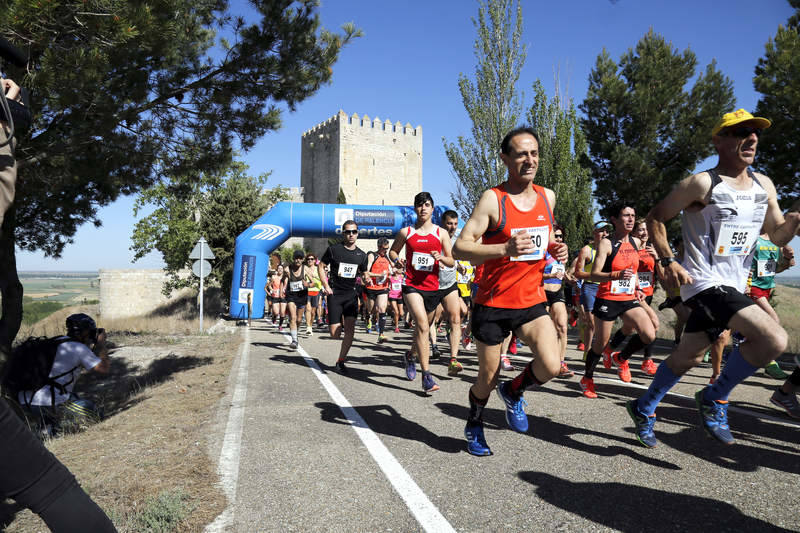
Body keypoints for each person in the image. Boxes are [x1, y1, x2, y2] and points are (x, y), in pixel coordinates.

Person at [628, 109, 800, 448]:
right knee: (774, 340)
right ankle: (715, 397)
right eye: (740, 132)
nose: (750, 138)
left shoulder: (764, 185)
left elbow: (775, 236)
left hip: (733, 286)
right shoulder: (703, 183)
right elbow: (657, 217)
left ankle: (643, 406)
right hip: (703, 282)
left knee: (687, 357)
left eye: (755, 133)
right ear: (719, 141)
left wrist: (795, 217)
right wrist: (668, 260)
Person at [453, 126, 568, 456]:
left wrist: (556, 249)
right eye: (521, 154)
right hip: (492, 303)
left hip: (531, 300)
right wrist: (503, 249)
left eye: (534, 153)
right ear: (505, 158)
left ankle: (514, 391)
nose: (529, 160)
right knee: (486, 379)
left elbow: (542, 240)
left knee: (551, 364)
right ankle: (474, 423)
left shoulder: (548, 197)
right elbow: (461, 248)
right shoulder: (494, 199)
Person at [580, 205, 656, 398]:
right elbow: (595, 275)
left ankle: (621, 358)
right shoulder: (606, 243)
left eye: (633, 215)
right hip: (607, 298)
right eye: (626, 216)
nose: (631, 219)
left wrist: (638, 287)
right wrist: (616, 275)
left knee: (649, 333)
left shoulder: (636, 242)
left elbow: (634, 269)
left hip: (628, 297)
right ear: (614, 219)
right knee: (600, 344)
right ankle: (587, 378)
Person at [390, 192, 454, 394]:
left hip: (432, 287)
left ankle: (410, 355)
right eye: (419, 205)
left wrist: (441, 258)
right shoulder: (406, 232)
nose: (423, 208)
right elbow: (393, 251)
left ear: (432, 208)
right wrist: (397, 260)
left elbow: (451, 260)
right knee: (423, 326)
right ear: (415, 209)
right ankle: (426, 376)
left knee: (421, 331)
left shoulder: (441, 233)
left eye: (427, 205)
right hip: (411, 285)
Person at [17, 314, 110, 435]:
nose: (92, 335)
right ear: (84, 332)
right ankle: (55, 428)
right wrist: (102, 345)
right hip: (45, 403)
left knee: (73, 396)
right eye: (91, 332)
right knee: (93, 411)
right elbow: (104, 368)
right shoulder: (79, 349)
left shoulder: (55, 341)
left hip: (23, 400)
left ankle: (46, 425)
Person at [604, 217, 662, 376]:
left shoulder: (652, 249)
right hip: (632, 292)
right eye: (641, 230)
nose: (645, 233)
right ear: (634, 232)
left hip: (647, 293)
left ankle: (609, 350)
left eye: (646, 229)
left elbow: (662, 275)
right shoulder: (630, 248)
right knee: (653, 324)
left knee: (629, 328)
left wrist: (657, 258)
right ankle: (641, 360)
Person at [319, 220, 372, 373]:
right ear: (343, 233)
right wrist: (326, 285)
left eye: (354, 232)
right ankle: (337, 322)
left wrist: (367, 278)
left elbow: (364, 273)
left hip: (351, 295)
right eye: (348, 232)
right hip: (335, 294)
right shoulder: (334, 250)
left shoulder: (361, 255)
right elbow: (321, 266)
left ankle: (341, 361)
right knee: (335, 334)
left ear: (357, 233)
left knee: (350, 329)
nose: (351, 234)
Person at [744, 232, 794, 379]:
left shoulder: (777, 241)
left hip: (767, 287)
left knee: (750, 325)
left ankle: (720, 343)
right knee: (773, 321)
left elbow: (777, 268)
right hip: (752, 286)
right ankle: (770, 363)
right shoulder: (752, 237)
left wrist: (787, 258)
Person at [437, 210, 465, 376]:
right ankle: (412, 354)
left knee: (456, 317)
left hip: (449, 284)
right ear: (443, 223)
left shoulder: (457, 240)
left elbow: (456, 257)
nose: (453, 227)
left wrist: (459, 265)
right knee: (426, 323)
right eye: (449, 223)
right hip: (432, 285)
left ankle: (453, 359)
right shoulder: (435, 236)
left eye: (455, 224)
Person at [542, 225, 573, 378]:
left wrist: (568, 277)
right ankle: (543, 360)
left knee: (562, 326)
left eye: (561, 236)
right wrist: (549, 275)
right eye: (556, 236)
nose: (559, 239)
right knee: (544, 331)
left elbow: (560, 273)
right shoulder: (543, 252)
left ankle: (561, 363)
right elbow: (534, 275)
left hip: (557, 292)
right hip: (542, 292)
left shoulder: (562, 254)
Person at [573, 223, 608, 354]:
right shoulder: (587, 250)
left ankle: (598, 351)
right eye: (601, 231)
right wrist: (597, 275)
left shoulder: (610, 249)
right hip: (590, 287)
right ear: (594, 233)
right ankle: (588, 351)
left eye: (606, 231)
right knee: (592, 323)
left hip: (606, 288)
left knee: (603, 324)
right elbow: (578, 272)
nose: (605, 234)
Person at [364, 237, 393, 343]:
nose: (386, 251)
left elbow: (393, 269)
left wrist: (398, 269)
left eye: (387, 248)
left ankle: (381, 334)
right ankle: (368, 319)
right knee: (371, 309)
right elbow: (367, 271)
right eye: (384, 249)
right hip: (371, 287)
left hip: (383, 287)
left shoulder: (387, 258)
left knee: (381, 309)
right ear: (379, 247)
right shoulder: (372, 255)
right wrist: (378, 275)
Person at [283, 250, 311, 350]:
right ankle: (294, 340)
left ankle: (296, 332)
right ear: (293, 259)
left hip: (302, 295)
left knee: (299, 319)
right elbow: (284, 279)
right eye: (296, 258)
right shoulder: (288, 268)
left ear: (303, 259)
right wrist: (283, 286)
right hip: (291, 295)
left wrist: (308, 284)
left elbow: (313, 283)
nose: (298, 260)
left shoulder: (306, 269)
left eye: (300, 258)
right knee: (293, 317)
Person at [304, 254, 322, 335]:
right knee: (308, 309)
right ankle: (308, 327)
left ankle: (311, 325)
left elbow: (323, 279)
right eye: (308, 259)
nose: (310, 260)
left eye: (311, 259)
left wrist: (315, 276)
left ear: (315, 260)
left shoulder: (318, 269)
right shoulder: (304, 269)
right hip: (307, 291)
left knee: (313, 312)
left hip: (316, 291)